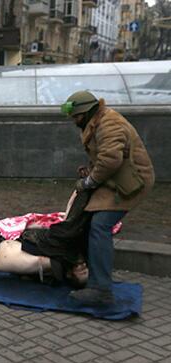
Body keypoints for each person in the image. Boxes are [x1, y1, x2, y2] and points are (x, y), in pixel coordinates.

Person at [0, 151, 90, 288]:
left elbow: (72, 223)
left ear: (70, 274)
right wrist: (81, 188)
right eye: (85, 269)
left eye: (81, 272)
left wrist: (83, 188)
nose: (83, 266)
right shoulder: (64, 255)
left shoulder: (58, 264)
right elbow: (69, 217)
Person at [61, 91, 154, 305]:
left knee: (100, 226)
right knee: (90, 222)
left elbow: (111, 160)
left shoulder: (109, 123)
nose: (73, 120)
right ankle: (95, 279)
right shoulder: (98, 121)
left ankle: (101, 290)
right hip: (117, 179)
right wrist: (91, 169)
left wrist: (89, 182)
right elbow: (103, 156)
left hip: (130, 182)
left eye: (75, 116)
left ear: (85, 112)